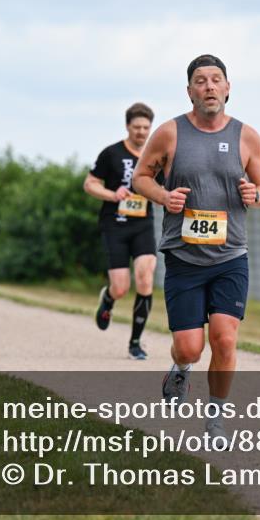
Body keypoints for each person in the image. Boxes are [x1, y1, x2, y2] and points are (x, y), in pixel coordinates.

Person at [133, 54, 260, 447]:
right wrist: (163, 196)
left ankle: (215, 420)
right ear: (189, 90)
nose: (209, 86)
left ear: (228, 88)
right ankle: (180, 367)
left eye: (215, 79)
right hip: (184, 257)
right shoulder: (169, 133)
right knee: (190, 347)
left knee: (225, 339)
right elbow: (141, 177)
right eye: (200, 80)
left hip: (231, 257)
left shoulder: (247, 136)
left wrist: (255, 194)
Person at [84, 102, 159, 360]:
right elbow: (90, 184)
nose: (141, 132)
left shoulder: (155, 156)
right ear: (128, 126)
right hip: (114, 224)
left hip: (142, 224)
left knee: (145, 275)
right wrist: (112, 195)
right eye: (137, 127)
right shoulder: (111, 153)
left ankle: (135, 343)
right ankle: (108, 299)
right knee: (121, 287)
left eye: (146, 127)